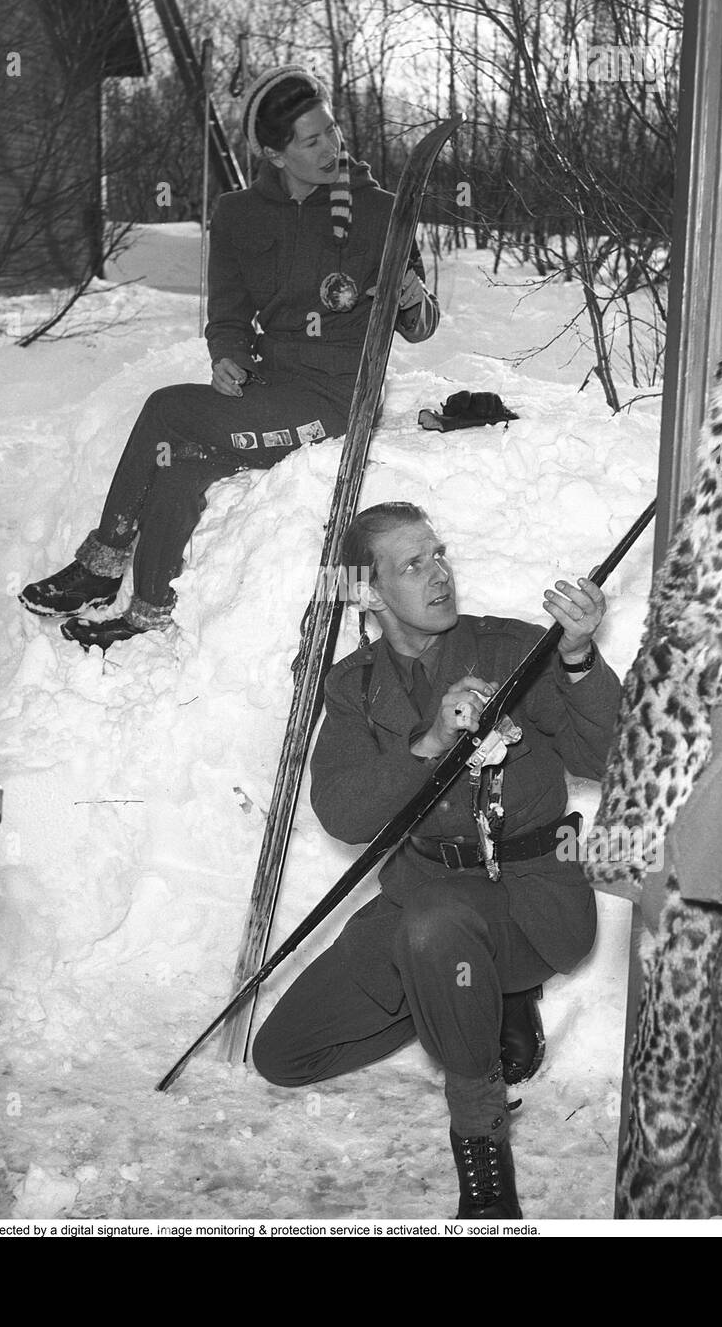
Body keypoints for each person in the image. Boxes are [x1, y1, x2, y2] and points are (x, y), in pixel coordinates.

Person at [252, 502, 622, 1218]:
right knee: (286, 1056)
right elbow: (345, 812)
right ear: (368, 591)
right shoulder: (354, 686)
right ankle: (476, 1003)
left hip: (530, 899)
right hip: (424, 894)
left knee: (434, 928)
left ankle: (487, 1184)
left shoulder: (512, 648)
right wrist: (426, 744)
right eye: (413, 564)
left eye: (439, 554)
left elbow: (605, 759)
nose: (439, 575)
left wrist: (577, 657)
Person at [19, 66, 440, 647]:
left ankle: (100, 563)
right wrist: (227, 355)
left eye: (332, 132)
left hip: (336, 403)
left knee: (166, 409)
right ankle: (147, 611)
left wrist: (414, 299)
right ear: (273, 152)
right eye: (311, 140)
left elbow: (420, 328)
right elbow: (229, 314)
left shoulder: (380, 211)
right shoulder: (239, 215)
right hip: (269, 391)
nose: (332, 148)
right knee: (175, 461)